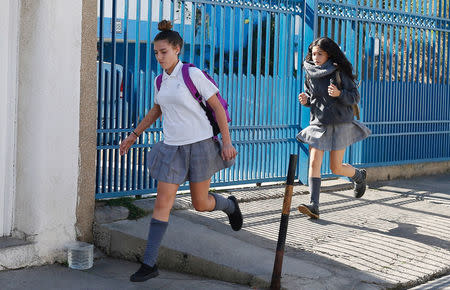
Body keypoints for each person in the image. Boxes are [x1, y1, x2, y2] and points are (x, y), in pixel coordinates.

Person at [119, 20, 241, 282]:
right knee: (162, 204)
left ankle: (229, 205)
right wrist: (133, 135)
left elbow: (218, 107)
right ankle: (149, 264)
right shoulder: (159, 80)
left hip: (200, 145)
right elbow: (156, 110)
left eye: (163, 51)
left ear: (177, 49)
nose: (159, 57)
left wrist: (227, 142)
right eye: (156, 52)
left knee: (200, 203)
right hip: (172, 148)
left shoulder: (192, 74)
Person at [296, 37, 371, 219]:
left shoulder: (338, 71)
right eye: (314, 53)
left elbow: (355, 96)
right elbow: (313, 97)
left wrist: (339, 94)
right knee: (314, 162)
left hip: (340, 123)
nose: (315, 57)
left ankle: (358, 176)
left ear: (328, 54)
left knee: (335, 167)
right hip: (319, 123)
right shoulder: (310, 72)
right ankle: (314, 205)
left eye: (320, 54)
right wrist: (306, 100)